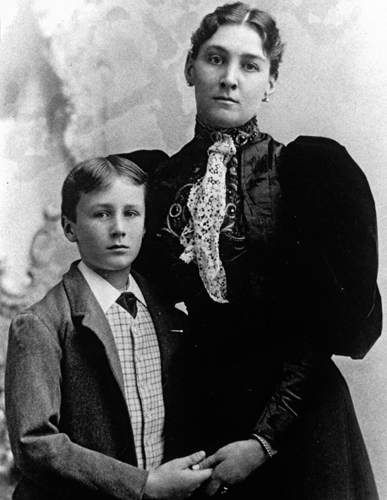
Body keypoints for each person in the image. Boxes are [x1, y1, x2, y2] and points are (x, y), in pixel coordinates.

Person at [132, 3, 382, 499]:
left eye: (249, 65)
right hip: (202, 413)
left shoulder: (306, 173)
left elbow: (320, 329)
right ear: (190, 69)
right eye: (215, 59)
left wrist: (262, 442)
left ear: (270, 82)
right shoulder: (155, 183)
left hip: (297, 414)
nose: (229, 79)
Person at [4, 154, 213, 500]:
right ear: (70, 228)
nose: (119, 228)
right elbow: (34, 445)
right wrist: (142, 486)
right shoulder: (41, 325)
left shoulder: (169, 318)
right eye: (101, 214)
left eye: (131, 213)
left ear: (145, 225)